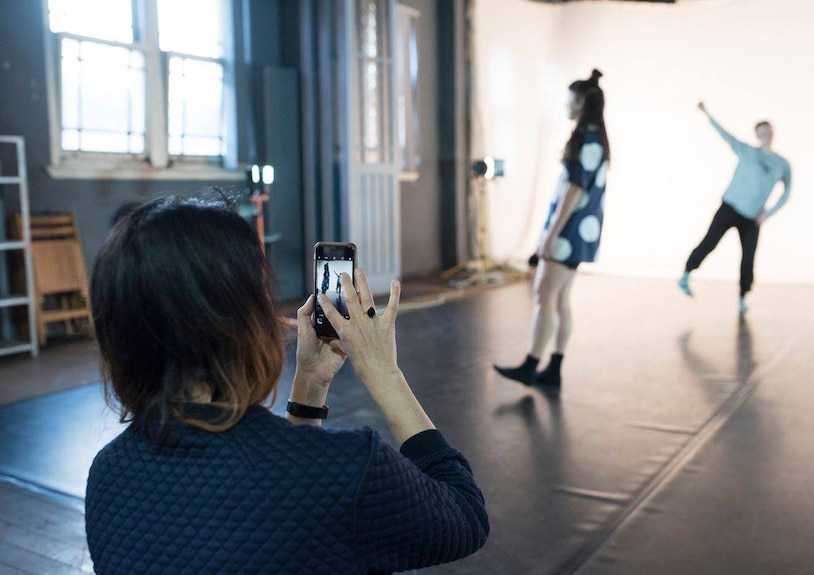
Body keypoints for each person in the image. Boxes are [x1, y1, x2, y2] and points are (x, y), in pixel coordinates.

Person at [85, 196, 489, 575]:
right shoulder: (347, 467)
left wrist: (311, 381)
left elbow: (280, 508)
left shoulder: (109, 477)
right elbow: (464, 517)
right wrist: (385, 374)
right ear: (244, 320)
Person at [494, 69, 610, 388]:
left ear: (581, 103)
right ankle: (553, 368)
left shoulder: (587, 136)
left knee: (545, 295)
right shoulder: (596, 136)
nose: (565, 107)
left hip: (569, 234)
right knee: (559, 298)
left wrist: (551, 233)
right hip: (580, 232)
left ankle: (531, 365)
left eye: (569, 102)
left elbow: (574, 189)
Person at [678, 102, 792, 314]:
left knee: (748, 257)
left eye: (768, 132)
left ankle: (742, 297)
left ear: (772, 133)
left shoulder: (782, 164)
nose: (765, 136)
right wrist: (707, 114)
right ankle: (685, 274)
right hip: (730, 208)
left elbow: (787, 193)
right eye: (761, 133)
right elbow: (725, 135)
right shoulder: (746, 150)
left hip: (752, 218)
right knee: (709, 242)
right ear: (757, 135)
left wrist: (767, 214)